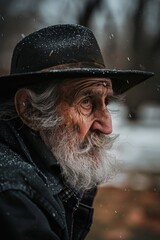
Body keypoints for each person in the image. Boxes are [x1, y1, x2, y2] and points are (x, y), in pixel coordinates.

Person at [0, 24, 154, 240]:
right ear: (30, 110)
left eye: (106, 102)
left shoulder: (54, 164)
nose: (107, 126)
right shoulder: (13, 194)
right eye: (86, 102)